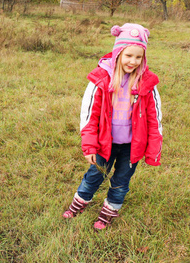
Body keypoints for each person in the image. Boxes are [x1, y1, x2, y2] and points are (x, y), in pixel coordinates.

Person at [62, 23, 163, 230]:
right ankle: (79, 204)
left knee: (121, 182)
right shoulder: (101, 79)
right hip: (103, 142)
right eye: (128, 56)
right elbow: (89, 115)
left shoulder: (147, 83)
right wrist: (89, 146)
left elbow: (155, 119)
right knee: (94, 176)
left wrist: (153, 150)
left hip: (131, 146)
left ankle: (108, 211)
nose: (133, 61)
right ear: (118, 53)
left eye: (138, 57)